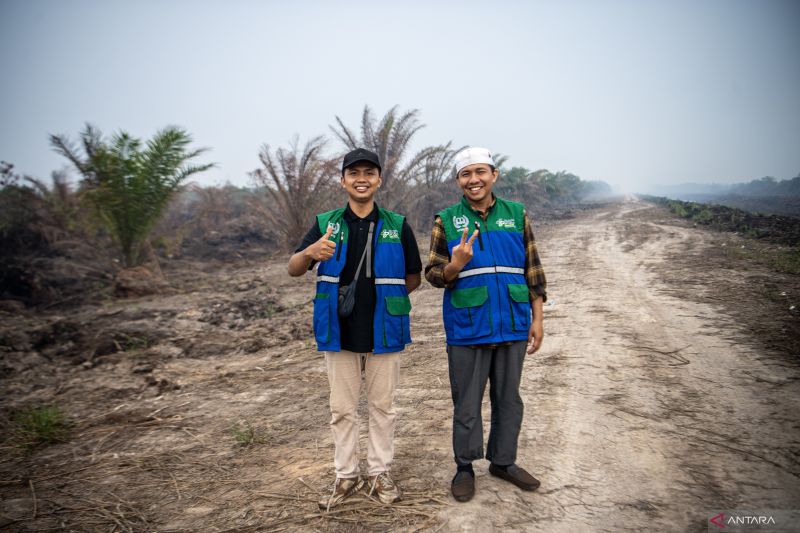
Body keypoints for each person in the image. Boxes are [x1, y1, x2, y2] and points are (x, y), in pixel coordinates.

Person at [288, 147, 422, 510]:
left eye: (369, 172)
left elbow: (414, 275)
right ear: (343, 180)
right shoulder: (326, 223)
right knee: (342, 410)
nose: (361, 179)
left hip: (385, 331)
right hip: (339, 332)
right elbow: (293, 268)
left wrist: (386, 300)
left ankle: (379, 472)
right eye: (354, 173)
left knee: (383, 408)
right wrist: (311, 251)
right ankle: (345, 476)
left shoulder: (397, 224)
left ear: (379, 179)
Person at [424, 146, 547, 502]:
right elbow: (433, 274)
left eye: (480, 172)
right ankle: (465, 467)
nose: (473, 179)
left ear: (494, 175)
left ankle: (503, 462)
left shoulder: (516, 214)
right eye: (466, 174)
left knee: (509, 399)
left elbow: (533, 270)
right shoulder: (445, 220)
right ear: (458, 181)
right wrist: (455, 264)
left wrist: (537, 319)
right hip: (467, 326)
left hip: (512, 321)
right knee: (466, 402)